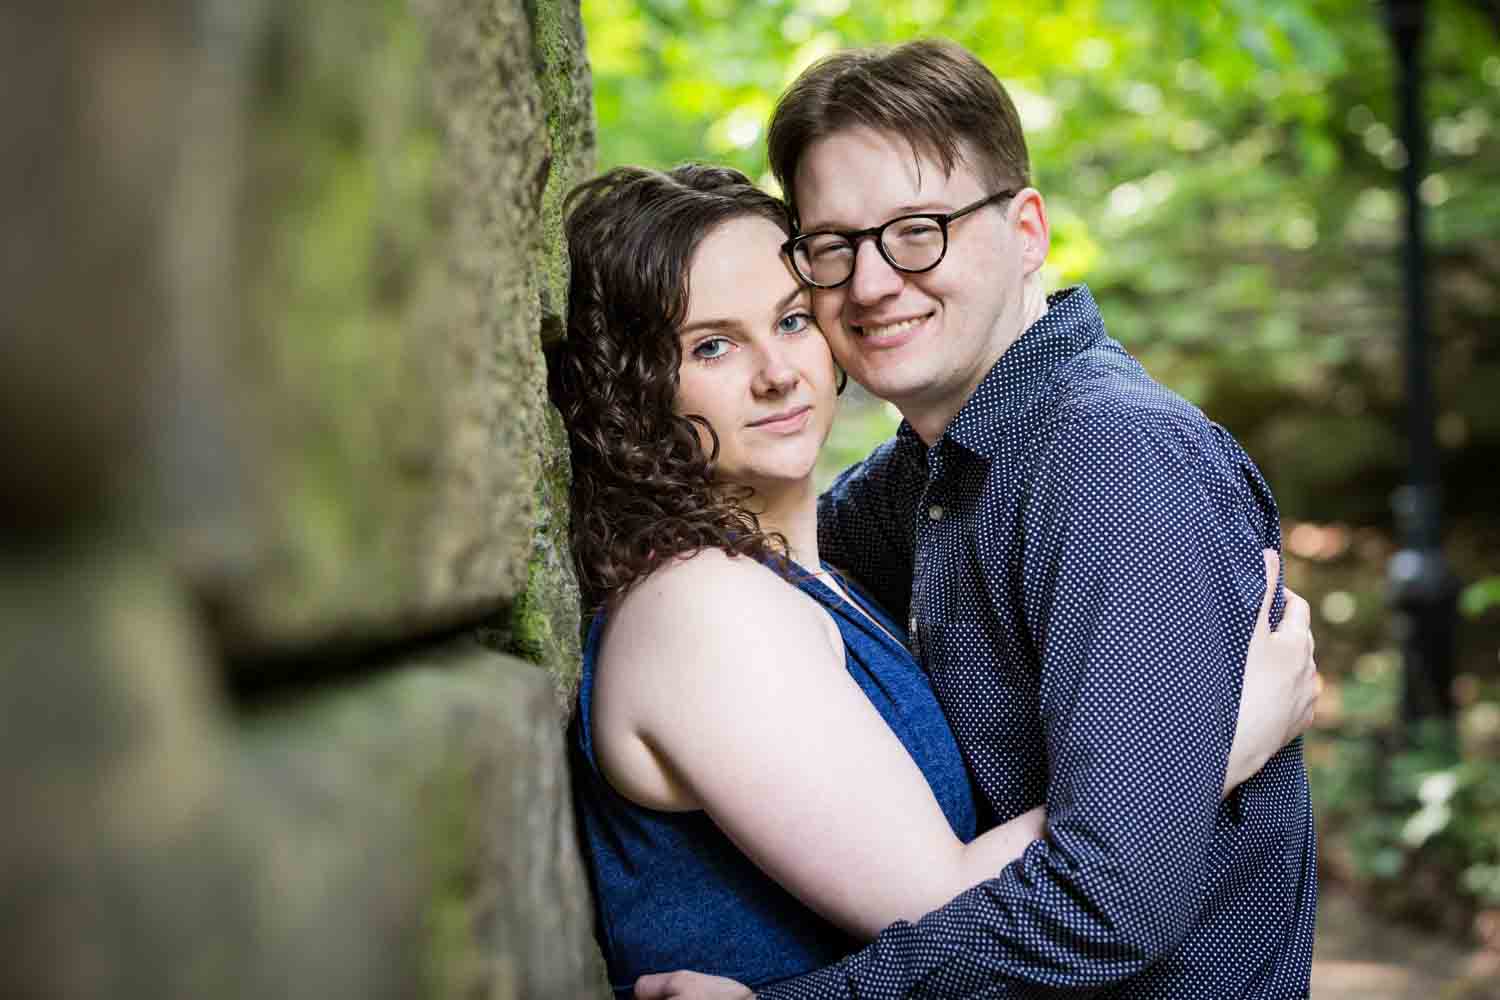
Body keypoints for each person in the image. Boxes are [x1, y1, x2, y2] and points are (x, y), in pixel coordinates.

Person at [638, 39, 1320, 1000]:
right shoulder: (922, 480)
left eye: (920, 229)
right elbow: (744, 590)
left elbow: (1110, 905)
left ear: (1028, 229)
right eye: (834, 247)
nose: (872, 283)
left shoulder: (1113, 459)